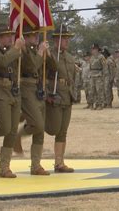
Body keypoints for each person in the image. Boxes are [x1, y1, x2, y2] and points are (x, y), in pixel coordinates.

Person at [13, 24, 56, 175]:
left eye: (36, 35)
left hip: (39, 88)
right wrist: (40, 52)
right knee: (37, 124)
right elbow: (31, 68)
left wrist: (47, 53)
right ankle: (19, 134)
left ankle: (36, 165)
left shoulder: (36, 50)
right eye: (32, 35)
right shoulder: (23, 51)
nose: (36, 37)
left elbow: (54, 67)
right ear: (25, 37)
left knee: (40, 129)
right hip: (27, 88)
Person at [0, 24, 25, 178]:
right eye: (5, 36)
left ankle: (5, 167)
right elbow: (3, 62)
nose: (9, 38)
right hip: (0, 93)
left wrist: (22, 49)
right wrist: (16, 49)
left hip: (14, 92)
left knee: (12, 130)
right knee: (5, 127)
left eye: (10, 35)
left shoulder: (15, 51)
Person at [44, 26, 75, 173]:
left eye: (68, 38)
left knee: (62, 131)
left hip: (67, 95)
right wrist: (47, 93)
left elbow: (72, 76)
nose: (67, 41)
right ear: (56, 39)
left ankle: (59, 162)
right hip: (54, 95)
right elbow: (43, 76)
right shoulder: (49, 56)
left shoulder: (69, 57)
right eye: (64, 38)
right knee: (53, 128)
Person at [89, 44, 107, 110]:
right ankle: (95, 104)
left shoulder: (101, 57)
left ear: (97, 49)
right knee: (93, 90)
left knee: (99, 90)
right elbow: (90, 67)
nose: (92, 50)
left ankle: (100, 104)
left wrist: (104, 75)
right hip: (92, 75)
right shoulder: (92, 57)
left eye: (93, 49)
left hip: (99, 75)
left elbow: (105, 66)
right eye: (92, 49)